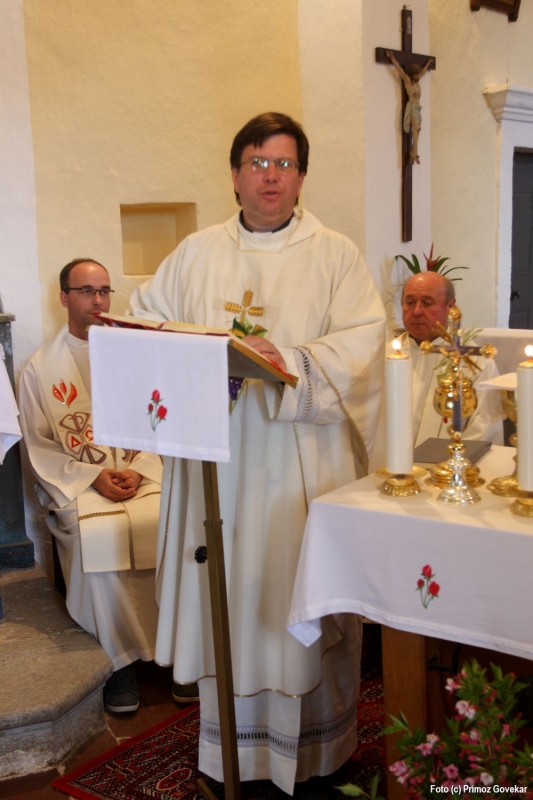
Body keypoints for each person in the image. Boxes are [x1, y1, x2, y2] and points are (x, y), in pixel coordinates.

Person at [129, 112, 386, 794]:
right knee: (231, 603)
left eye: (283, 164)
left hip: (298, 463)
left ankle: (317, 757)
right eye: (257, 163)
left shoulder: (335, 254)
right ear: (235, 175)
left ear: (301, 177)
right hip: (216, 463)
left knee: (293, 598)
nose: (270, 177)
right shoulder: (194, 253)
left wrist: (289, 361)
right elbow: (146, 321)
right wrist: (201, 355)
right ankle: (232, 757)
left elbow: (363, 344)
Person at [18, 259, 166, 714]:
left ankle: (178, 653)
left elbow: (163, 422)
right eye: (86, 291)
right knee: (93, 536)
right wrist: (92, 476)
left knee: (173, 527)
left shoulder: (135, 357)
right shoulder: (40, 368)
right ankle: (118, 662)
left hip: (141, 476)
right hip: (80, 484)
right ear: (64, 297)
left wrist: (140, 468)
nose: (97, 300)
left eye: (104, 291)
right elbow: (39, 445)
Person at [370, 271, 502, 471]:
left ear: (451, 306)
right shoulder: (383, 356)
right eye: (410, 302)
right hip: (386, 472)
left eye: (427, 303)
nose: (417, 311)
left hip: (447, 477)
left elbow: (484, 430)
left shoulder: (476, 362)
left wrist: (451, 472)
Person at [386, 50, 434, 165]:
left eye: (418, 74)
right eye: (416, 74)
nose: (419, 76)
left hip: (417, 108)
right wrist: (392, 58)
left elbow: (423, 72)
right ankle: (414, 152)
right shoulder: (408, 81)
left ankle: (414, 151)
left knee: (418, 129)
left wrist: (428, 63)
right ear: (412, 74)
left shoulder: (417, 79)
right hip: (412, 106)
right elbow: (399, 69)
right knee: (416, 127)